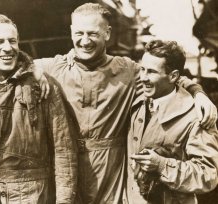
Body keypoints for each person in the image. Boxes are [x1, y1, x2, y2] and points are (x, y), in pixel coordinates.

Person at [34, 3, 217, 204]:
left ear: (107, 33)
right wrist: (31, 71)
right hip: (65, 168)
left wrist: (197, 92)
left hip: (111, 176)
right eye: (79, 33)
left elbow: (165, 77)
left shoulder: (126, 70)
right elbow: (11, 66)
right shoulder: (51, 67)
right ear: (71, 32)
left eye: (93, 34)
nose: (85, 41)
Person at [0, 14, 78, 204]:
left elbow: (64, 150)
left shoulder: (42, 86)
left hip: (32, 196)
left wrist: (64, 200)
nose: (8, 48)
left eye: (12, 41)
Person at [126, 40, 218, 204]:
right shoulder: (140, 98)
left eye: (151, 72)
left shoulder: (197, 116)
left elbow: (208, 175)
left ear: (174, 76)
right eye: (142, 69)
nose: (143, 78)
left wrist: (162, 165)